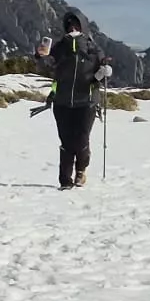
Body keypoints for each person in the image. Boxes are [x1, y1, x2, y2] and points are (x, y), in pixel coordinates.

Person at [34, 10, 113, 189]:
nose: (73, 29)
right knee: (67, 141)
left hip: (87, 102)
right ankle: (65, 180)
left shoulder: (93, 48)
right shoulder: (60, 46)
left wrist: (104, 73)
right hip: (62, 102)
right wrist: (40, 56)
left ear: (83, 26)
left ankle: (80, 170)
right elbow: (49, 66)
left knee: (82, 140)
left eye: (76, 25)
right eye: (69, 25)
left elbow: (103, 70)